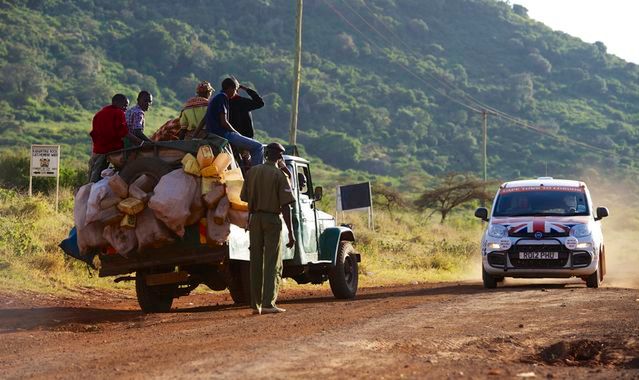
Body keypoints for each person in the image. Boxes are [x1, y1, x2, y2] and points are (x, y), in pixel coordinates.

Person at [240, 142, 296, 315]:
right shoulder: (280, 175)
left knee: (255, 261)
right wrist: (291, 233)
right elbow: (286, 205)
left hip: (255, 219)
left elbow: (244, 197)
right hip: (272, 219)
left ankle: (255, 304)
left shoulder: (252, 172)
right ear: (280, 157)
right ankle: (268, 303)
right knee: (272, 262)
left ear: (265, 154)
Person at [206, 78, 264, 166]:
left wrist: (196, 135)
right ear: (230, 88)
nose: (235, 92)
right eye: (235, 89)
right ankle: (256, 173)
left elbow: (204, 119)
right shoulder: (225, 98)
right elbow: (224, 122)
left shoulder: (215, 99)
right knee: (258, 147)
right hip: (227, 134)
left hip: (222, 133)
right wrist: (237, 133)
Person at [88, 94, 141, 182]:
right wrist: (140, 142)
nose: (125, 108)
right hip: (112, 149)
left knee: (94, 172)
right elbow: (124, 133)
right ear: (116, 103)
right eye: (124, 105)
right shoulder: (118, 113)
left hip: (97, 149)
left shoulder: (99, 113)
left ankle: (88, 190)